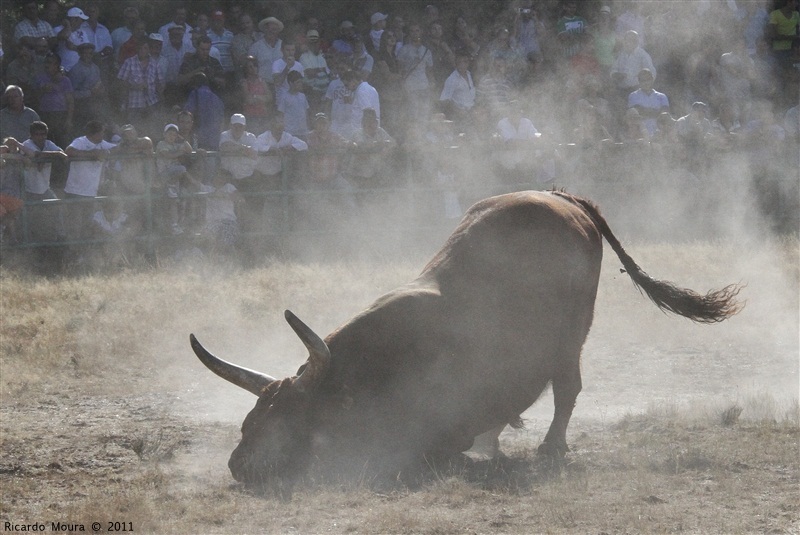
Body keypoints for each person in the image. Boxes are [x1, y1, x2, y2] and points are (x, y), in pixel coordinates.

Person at [63, 120, 116, 242]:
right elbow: (69, 151)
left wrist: (107, 152)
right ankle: (73, 255)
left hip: (91, 192)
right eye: (102, 132)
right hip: (74, 192)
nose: (103, 135)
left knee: (87, 226)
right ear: (95, 133)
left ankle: (85, 255)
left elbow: (117, 148)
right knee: (74, 226)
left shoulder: (102, 144)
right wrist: (92, 154)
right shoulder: (81, 141)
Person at [19, 121, 67, 242]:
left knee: (57, 207)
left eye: (43, 134)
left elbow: (63, 154)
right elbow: (37, 155)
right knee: (27, 217)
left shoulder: (48, 143)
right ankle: (26, 242)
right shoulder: (26, 144)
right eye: (37, 134)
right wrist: (54, 154)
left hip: (45, 188)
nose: (41, 137)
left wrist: (45, 157)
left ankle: (60, 237)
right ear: (31, 135)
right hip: (28, 189)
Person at [156, 123, 195, 235]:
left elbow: (189, 149)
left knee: (176, 201)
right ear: (164, 134)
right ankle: (170, 226)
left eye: (174, 135)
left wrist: (182, 140)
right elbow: (167, 155)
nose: (172, 137)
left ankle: (176, 225)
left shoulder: (176, 145)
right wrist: (179, 152)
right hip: (164, 175)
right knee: (182, 169)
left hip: (174, 179)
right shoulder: (161, 144)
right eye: (170, 134)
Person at [117, 41, 161, 137]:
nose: (142, 50)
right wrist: (135, 86)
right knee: (133, 131)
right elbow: (120, 82)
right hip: (134, 103)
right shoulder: (129, 62)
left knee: (152, 130)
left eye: (145, 48)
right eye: (140, 48)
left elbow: (160, 83)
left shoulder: (155, 63)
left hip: (151, 103)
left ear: (149, 49)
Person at [347, 108, 397, 191]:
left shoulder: (380, 131)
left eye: (373, 121)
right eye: (367, 121)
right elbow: (360, 146)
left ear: (376, 122)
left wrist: (387, 149)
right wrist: (377, 144)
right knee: (361, 195)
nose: (370, 124)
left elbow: (393, 143)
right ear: (363, 123)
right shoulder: (357, 134)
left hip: (377, 172)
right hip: (359, 173)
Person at [197, 169, 244, 255]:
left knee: (225, 238)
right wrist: (184, 171)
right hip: (212, 223)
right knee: (209, 237)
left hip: (229, 222)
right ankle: (215, 258)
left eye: (222, 176)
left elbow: (240, 199)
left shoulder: (229, 187)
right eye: (218, 176)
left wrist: (224, 195)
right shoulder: (207, 189)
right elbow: (194, 183)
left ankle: (218, 258)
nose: (220, 178)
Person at [34, 52, 74, 149]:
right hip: (45, 114)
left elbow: (70, 101)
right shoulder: (40, 78)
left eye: (50, 62)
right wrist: (43, 90)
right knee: (47, 142)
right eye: (46, 62)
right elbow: (35, 97)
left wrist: (69, 120)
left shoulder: (65, 80)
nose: (47, 65)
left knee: (62, 142)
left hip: (60, 115)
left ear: (57, 65)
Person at [397, 23, 434, 128]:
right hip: (410, 86)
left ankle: (422, 135)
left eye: (417, 30)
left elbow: (430, 70)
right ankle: (412, 135)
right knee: (412, 113)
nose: (415, 33)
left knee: (424, 112)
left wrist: (432, 84)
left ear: (421, 32)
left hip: (424, 86)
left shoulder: (426, 51)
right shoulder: (404, 49)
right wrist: (402, 85)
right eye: (412, 31)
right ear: (409, 33)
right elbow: (400, 69)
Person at [369, 30, 404, 136]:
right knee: (389, 122)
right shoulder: (380, 55)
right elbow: (388, 76)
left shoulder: (394, 55)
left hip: (396, 94)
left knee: (397, 122)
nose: (392, 38)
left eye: (394, 36)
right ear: (384, 39)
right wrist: (401, 75)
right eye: (389, 36)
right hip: (386, 96)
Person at [68, 42, 106, 133]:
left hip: (96, 105)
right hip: (81, 107)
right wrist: (90, 92)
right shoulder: (75, 70)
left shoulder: (95, 68)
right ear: (80, 54)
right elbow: (72, 93)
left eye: (90, 53)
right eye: (85, 53)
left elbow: (99, 84)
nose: (88, 56)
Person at [184, 72, 225, 151]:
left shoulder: (195, 94)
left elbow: (188, 113)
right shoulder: (217, 98)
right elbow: (222, 120)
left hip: (199, 137)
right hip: (215, 138)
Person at [627, 68, 669, 138]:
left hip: (659, 134)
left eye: (648, 79)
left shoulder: (662, 96)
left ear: (652, 79)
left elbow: (664, 116)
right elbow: (635, 114)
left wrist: (643, 111)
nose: (646, 82)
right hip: (640, 134)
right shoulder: (633, 96)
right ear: (639, 81)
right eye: (643, 80)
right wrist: (656, 112)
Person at [219, 113, 258, 184]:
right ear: (230, 126)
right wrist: (243, 148)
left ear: (245, 127)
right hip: (228, 177)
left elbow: (254, 154)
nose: (238, 128)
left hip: (247, 177)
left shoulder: (251, 137)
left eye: (240, 126)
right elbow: (224, 146)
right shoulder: (225, 135)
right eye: (235, 126)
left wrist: (234, 149)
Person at [299, 30, 331, 114]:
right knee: (313, 114)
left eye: (317, 42)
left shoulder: (322, 56)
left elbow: (327, 72)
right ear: (309, 44)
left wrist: (317, 70)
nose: (315, 45)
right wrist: (321, 69)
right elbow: (309, 73)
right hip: (311, 93)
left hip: (324, 93)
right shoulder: (304, 56)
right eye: (312, 43)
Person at [439, 53, 475, 125]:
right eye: (459, 62)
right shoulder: (452, 79)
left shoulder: (469, 74)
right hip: (459, 116)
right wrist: (459, 111)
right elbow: (445, 100)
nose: (462, 64)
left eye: (465, 61)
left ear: (468, 63)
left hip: (472, 113)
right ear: (456, 63)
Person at [341, 69, 380, 136]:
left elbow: (368, 112)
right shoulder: (367, 88)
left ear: (353, 81)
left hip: (363, 133)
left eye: (346, 85)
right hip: (364, 131)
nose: (346, 88)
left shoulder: (361, 91)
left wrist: (367, 133)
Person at [240, 56, 272, 134]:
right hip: (251, 116)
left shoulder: (262, 81)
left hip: (263, 115)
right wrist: (262, 98)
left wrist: (255, 96)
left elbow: (270, 97)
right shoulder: (244, 83)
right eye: (250, 67)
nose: (253, 68)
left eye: (255, 66)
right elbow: (249, 100)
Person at [249, 17, 284, 84]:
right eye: (268, 29)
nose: (271, 31)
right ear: (264, 30)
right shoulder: (255, 47)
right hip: (262, 85)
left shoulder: (284, 45)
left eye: (274, 29)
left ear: (278, 31)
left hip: (282, 85)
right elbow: (250, 67)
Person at [278, 71, 310, 139]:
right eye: (298, 82)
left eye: (301, 82)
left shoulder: (303, 96)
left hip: (303, 132)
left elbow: (306, 112)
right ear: (291, 83)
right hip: (290, 132)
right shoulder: (284, 97)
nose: (300, 84)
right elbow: (281, 114)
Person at [767, 0, 800, 67]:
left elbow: (798, 29)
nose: (797, 4)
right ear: (789, 2)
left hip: (793, 49)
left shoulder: (796, 14)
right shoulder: (775, 14)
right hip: (779, 50)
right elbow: (774, 35)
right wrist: (793, 37)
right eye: (795, 2)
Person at [272, 41, 304, 105]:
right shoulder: (276, 64)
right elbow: (277, 83)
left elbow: (301, 86)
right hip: (282, 102)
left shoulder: (299, 65)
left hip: (297, 102)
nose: (290, 53)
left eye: (292, 50)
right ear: (282, 50)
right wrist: (288, 67)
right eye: (287, 50)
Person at [208, 10, 235, 75]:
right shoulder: (206, 35)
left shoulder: (230, 35)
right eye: (215, 20)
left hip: (229, 71)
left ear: (223, 21)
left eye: (220, 20)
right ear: (212, 21)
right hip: (214, 73)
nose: (217, 22)